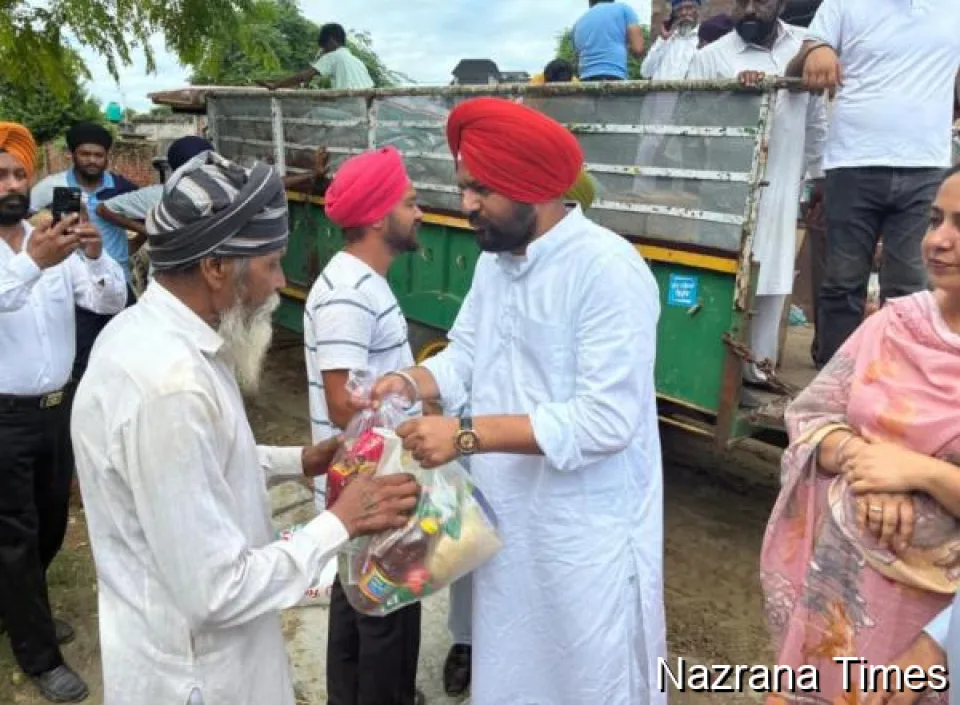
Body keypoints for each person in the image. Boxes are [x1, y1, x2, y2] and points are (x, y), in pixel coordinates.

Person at [69, 150, 421, 705]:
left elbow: (198, 466)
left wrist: (299, 461)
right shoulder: (170, 386)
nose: (280, 282)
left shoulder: (152, 335)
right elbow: (218, 590)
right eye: (271, 264)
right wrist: (339, 522)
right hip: (200, 676)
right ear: (216, 268)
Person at [363, 97, 667, 704]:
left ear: (537, 189)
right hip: (507, 524)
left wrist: (464, 434)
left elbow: (606, 421)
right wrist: (412, 382)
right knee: (511, 669)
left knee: (586, 679)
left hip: (582, 534)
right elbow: (468, 355)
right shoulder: (496, 263)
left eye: (482, 189)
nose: (466, 204)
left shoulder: (607, 269)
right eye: (463, 187)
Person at [761, 165, 960, 705]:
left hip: (936, 624)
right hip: (839, 596)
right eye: (935, 220)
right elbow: (810, 417)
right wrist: (862, 460)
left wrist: (921, 473)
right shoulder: (896, 325)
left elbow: (909, 469)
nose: (938, 241)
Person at [0, 122, 127, 703]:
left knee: (51, 525)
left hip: (57, 412)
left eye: (18, 173)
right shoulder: (39, 252)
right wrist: (34, 264)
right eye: (1, 175)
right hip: (5, 419)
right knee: (16, 535)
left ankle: (16, 606)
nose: (11, 184)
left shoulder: (52, 236)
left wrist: (95, 256)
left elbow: (108, 300)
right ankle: (39, 654)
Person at [304, 146, 426, 705]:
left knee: (362, 605)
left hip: (375, 482)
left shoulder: (364, 282)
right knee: (382, 620)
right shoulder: (349, 294)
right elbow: (341, 405)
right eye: (410, 202)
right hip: (371, 487)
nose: (419, 213)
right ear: (379, 217)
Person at [786, 0, 960, 367]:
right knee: (843, 282)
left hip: (924, 166)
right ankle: (834, 379)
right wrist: (816, 51)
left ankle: (897, 382)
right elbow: (800, 60)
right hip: (852, 163)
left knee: (909, 287)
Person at [686, 0, 827, 389]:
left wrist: (820, 178)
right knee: (726, 280)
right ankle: (717, 379)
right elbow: (692, 123)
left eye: (760, 2)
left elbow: (816, 122)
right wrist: (732, 97)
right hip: (728, 191)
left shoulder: (805, 46)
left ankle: (757, 375)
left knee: (772, 280)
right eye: (741, 2)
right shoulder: (712, 57)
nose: (749, 10)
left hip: (782, 186)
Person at [31, 121, 140, 380]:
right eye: (85, 154)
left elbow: (147, 221)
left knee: (127, 357)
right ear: (72, 154)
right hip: (75, 289)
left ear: (107, 156)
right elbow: (24, 222)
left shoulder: (122, 188)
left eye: (98, 155)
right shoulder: (50, 187)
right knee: (82, 362)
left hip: (118, 283)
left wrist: (130, 248)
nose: (92, 160)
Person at [260, 23, 374, 91]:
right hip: (367, 109)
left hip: (350, 108)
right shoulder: (358, 62)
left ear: (331, 41)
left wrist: (275, 85)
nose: (323, 50)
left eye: (324, 46)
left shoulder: (333, 56)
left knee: (308, 114)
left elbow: (304, 76)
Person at [572, 0, 646, 81]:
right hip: (614, 75)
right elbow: (638, 48)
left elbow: (576, 58)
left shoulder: (578, 22)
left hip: (585, 79)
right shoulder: (624, 9)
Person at [641, 0, 702, 80]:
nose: (683, 13)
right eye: (679, 10)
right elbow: (645, 72)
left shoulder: (703, 39)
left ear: (698, 11)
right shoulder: (665, 40)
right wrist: (662, 40)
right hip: (660, 88)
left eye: (688, 8)